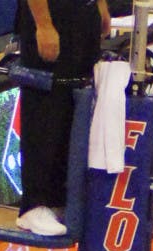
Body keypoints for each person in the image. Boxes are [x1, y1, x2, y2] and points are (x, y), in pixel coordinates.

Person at [15, 0, 111, 237]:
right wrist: (44, 25)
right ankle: (34, 205)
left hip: (82, 15)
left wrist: (100, 5)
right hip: (51, 17)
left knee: (76, 104)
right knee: (46, 107)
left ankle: (61, 199)